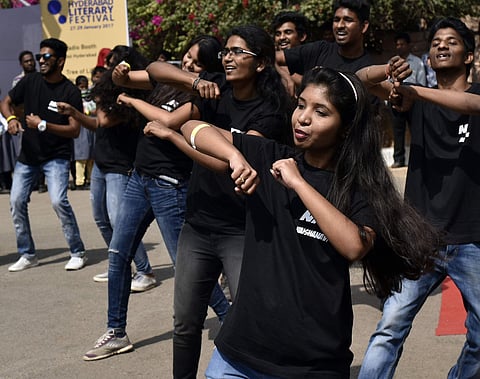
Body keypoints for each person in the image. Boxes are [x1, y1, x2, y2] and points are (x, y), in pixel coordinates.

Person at [172, 66, 439, 378]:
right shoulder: (269, 154)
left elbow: (355, 245)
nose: (303, 118)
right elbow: (192, 127)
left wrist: (299, 184)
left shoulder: (357, 188)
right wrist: (234, 155)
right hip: (239, 355)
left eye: (320, 111)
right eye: (301, 105)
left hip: (314, 362)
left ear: (345, 127)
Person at [142, 25, 292, 378]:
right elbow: (152, 70)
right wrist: (193, 83)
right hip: (198, 224)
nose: (228, 57)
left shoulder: (269, 113)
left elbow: (228, 165)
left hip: (242, 229)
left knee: (249, 319)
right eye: (226, 51)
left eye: (239, 52)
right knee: (185, 323)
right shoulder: (213, 89)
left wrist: (176, 135)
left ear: (260, 64)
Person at [83, 35, 231, 362]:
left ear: (208, 68)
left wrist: (131, 100)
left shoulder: (201, 97)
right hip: (139, 178)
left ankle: (230, 319)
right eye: (187, 55)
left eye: (197, 61)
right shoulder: (166, 83)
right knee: (119, 253)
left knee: (187, 266)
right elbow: (135, 75)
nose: (189, 63)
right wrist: (121, 75)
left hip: (170, 185)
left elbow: (167, 122)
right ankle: (116, 332)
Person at [356, 17, 480, 379]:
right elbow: (360, 83)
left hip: (472, 239)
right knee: (390, 328)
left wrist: (414, 92)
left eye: (451, 41)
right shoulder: (414, 101)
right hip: (419, 238)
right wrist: (387, 69)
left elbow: (470, 105)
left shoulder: (465, 97)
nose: (440, 45)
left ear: (469, 57)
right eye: (435, 41)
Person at [1, 38, 87, 272]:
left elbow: (75, 130)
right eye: (40, 57)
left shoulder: (69, 91)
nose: (40, 61)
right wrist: (10, 119)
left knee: (59, 201)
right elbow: (6, 102)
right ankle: (28, 254)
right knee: (16, 200)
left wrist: (42, 125)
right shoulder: (30, 81)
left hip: (56, 156)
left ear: (60, 61)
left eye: (46, 57)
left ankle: (77, 251)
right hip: (28, 157)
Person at [276, 0, 373, 96]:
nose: (339, 26)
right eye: (336, 20)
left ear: (364, 26)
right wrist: (285, 77)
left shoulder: (369, 70)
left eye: (348, 20)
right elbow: (269, 56)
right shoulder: (319, 50)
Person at [0, 51, 37, 195]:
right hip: (24, 119)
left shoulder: (42, 77)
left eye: (31, 60)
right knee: (25, 150)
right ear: (21, 64)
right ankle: (27, 183)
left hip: (42, 120)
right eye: (26, 61)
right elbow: (13, 102)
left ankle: (39, 182)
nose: (30, 63)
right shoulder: (18, 80)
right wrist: (15, 118)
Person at [389, 32, 426, 168]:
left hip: (414, 100)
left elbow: (422, 83)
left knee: (416, 129)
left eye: (402, 44)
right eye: (397, 45)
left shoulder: (417, 63)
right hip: (396, 99)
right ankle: (399, 159)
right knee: (397, 130)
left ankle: (418, 159)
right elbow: (388, 82)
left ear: (408, 45)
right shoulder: (392, 63)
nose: (399, 47)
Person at [70, 75, 95, 190]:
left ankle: (90, 180)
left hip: (91, 130)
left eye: (85, 86)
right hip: (80, 130)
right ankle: (80, 181)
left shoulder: (92, 98)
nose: (84, 89)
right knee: (81, 157)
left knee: (91, 157)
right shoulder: (73, 99)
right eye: (81, 87)